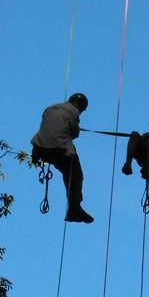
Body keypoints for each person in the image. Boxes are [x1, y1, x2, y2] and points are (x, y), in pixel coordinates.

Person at [31, 93, 94, 223]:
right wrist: (76, 127)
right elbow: (75, 134)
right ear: (78, 104)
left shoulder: (50, 108)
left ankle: (74, 206)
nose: (81, 112)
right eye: (82, 109)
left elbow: (46, 129)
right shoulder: (73, 111)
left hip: (40, 148)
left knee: (67, 172)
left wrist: (36, 152)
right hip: (59, 149)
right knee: (75, 175)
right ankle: (74, 207)